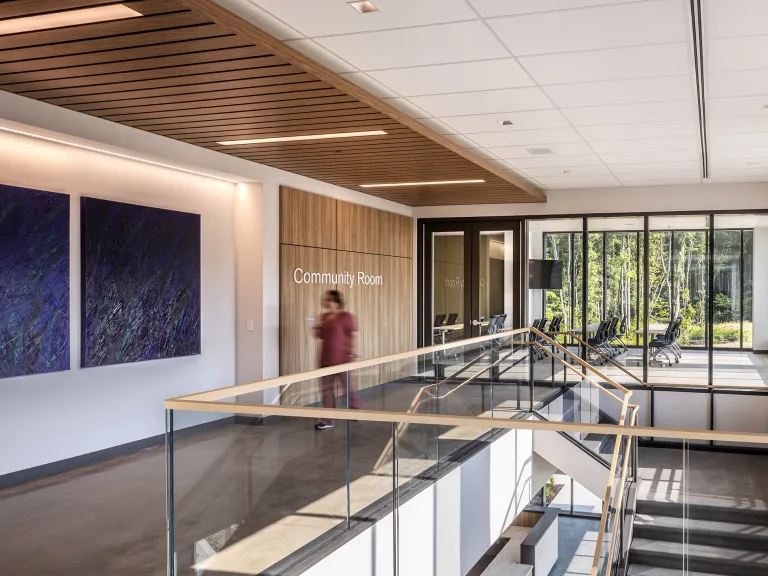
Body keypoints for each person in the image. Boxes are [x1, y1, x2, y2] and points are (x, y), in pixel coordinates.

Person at [313, 290, 360, 430]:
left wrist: (354, 355)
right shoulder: (323, 317)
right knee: (327, 390)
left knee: (348, 387)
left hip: (343, 359)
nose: (329, 303)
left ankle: (354, 409)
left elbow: (353, 336)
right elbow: (320, 335)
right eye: (327, 300)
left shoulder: (346, 316)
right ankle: (328, 419)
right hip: (326, 358)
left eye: (331, 300)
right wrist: (316, 326)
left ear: (338, 301)